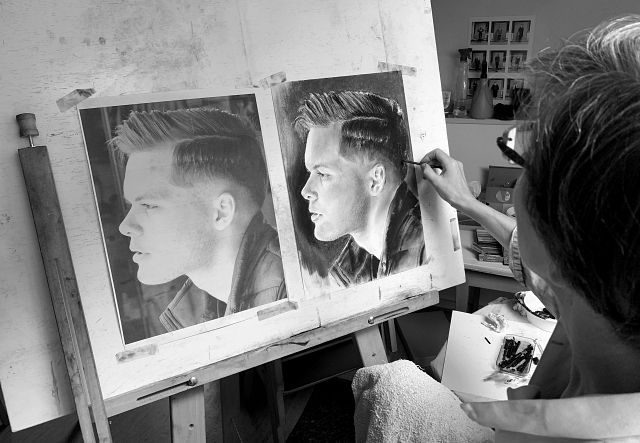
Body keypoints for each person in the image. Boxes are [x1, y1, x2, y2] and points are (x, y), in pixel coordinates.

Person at [355, 15, 640, 442]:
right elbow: (538, 261)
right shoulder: (604, 296)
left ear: (562, 248)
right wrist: (467, 202)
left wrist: (397, 391)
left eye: (528, 161)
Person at [112, 107, 286, 332]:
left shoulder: (292, 293)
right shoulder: (200, 311)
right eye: (132, 206)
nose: (125, 226)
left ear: (221, 212)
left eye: (149, 205)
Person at [296, 90, 426, 287]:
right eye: (310, 173)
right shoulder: (352, 270)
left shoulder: (425, 253)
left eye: (322, 173)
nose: (306, 191)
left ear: (375, 180)